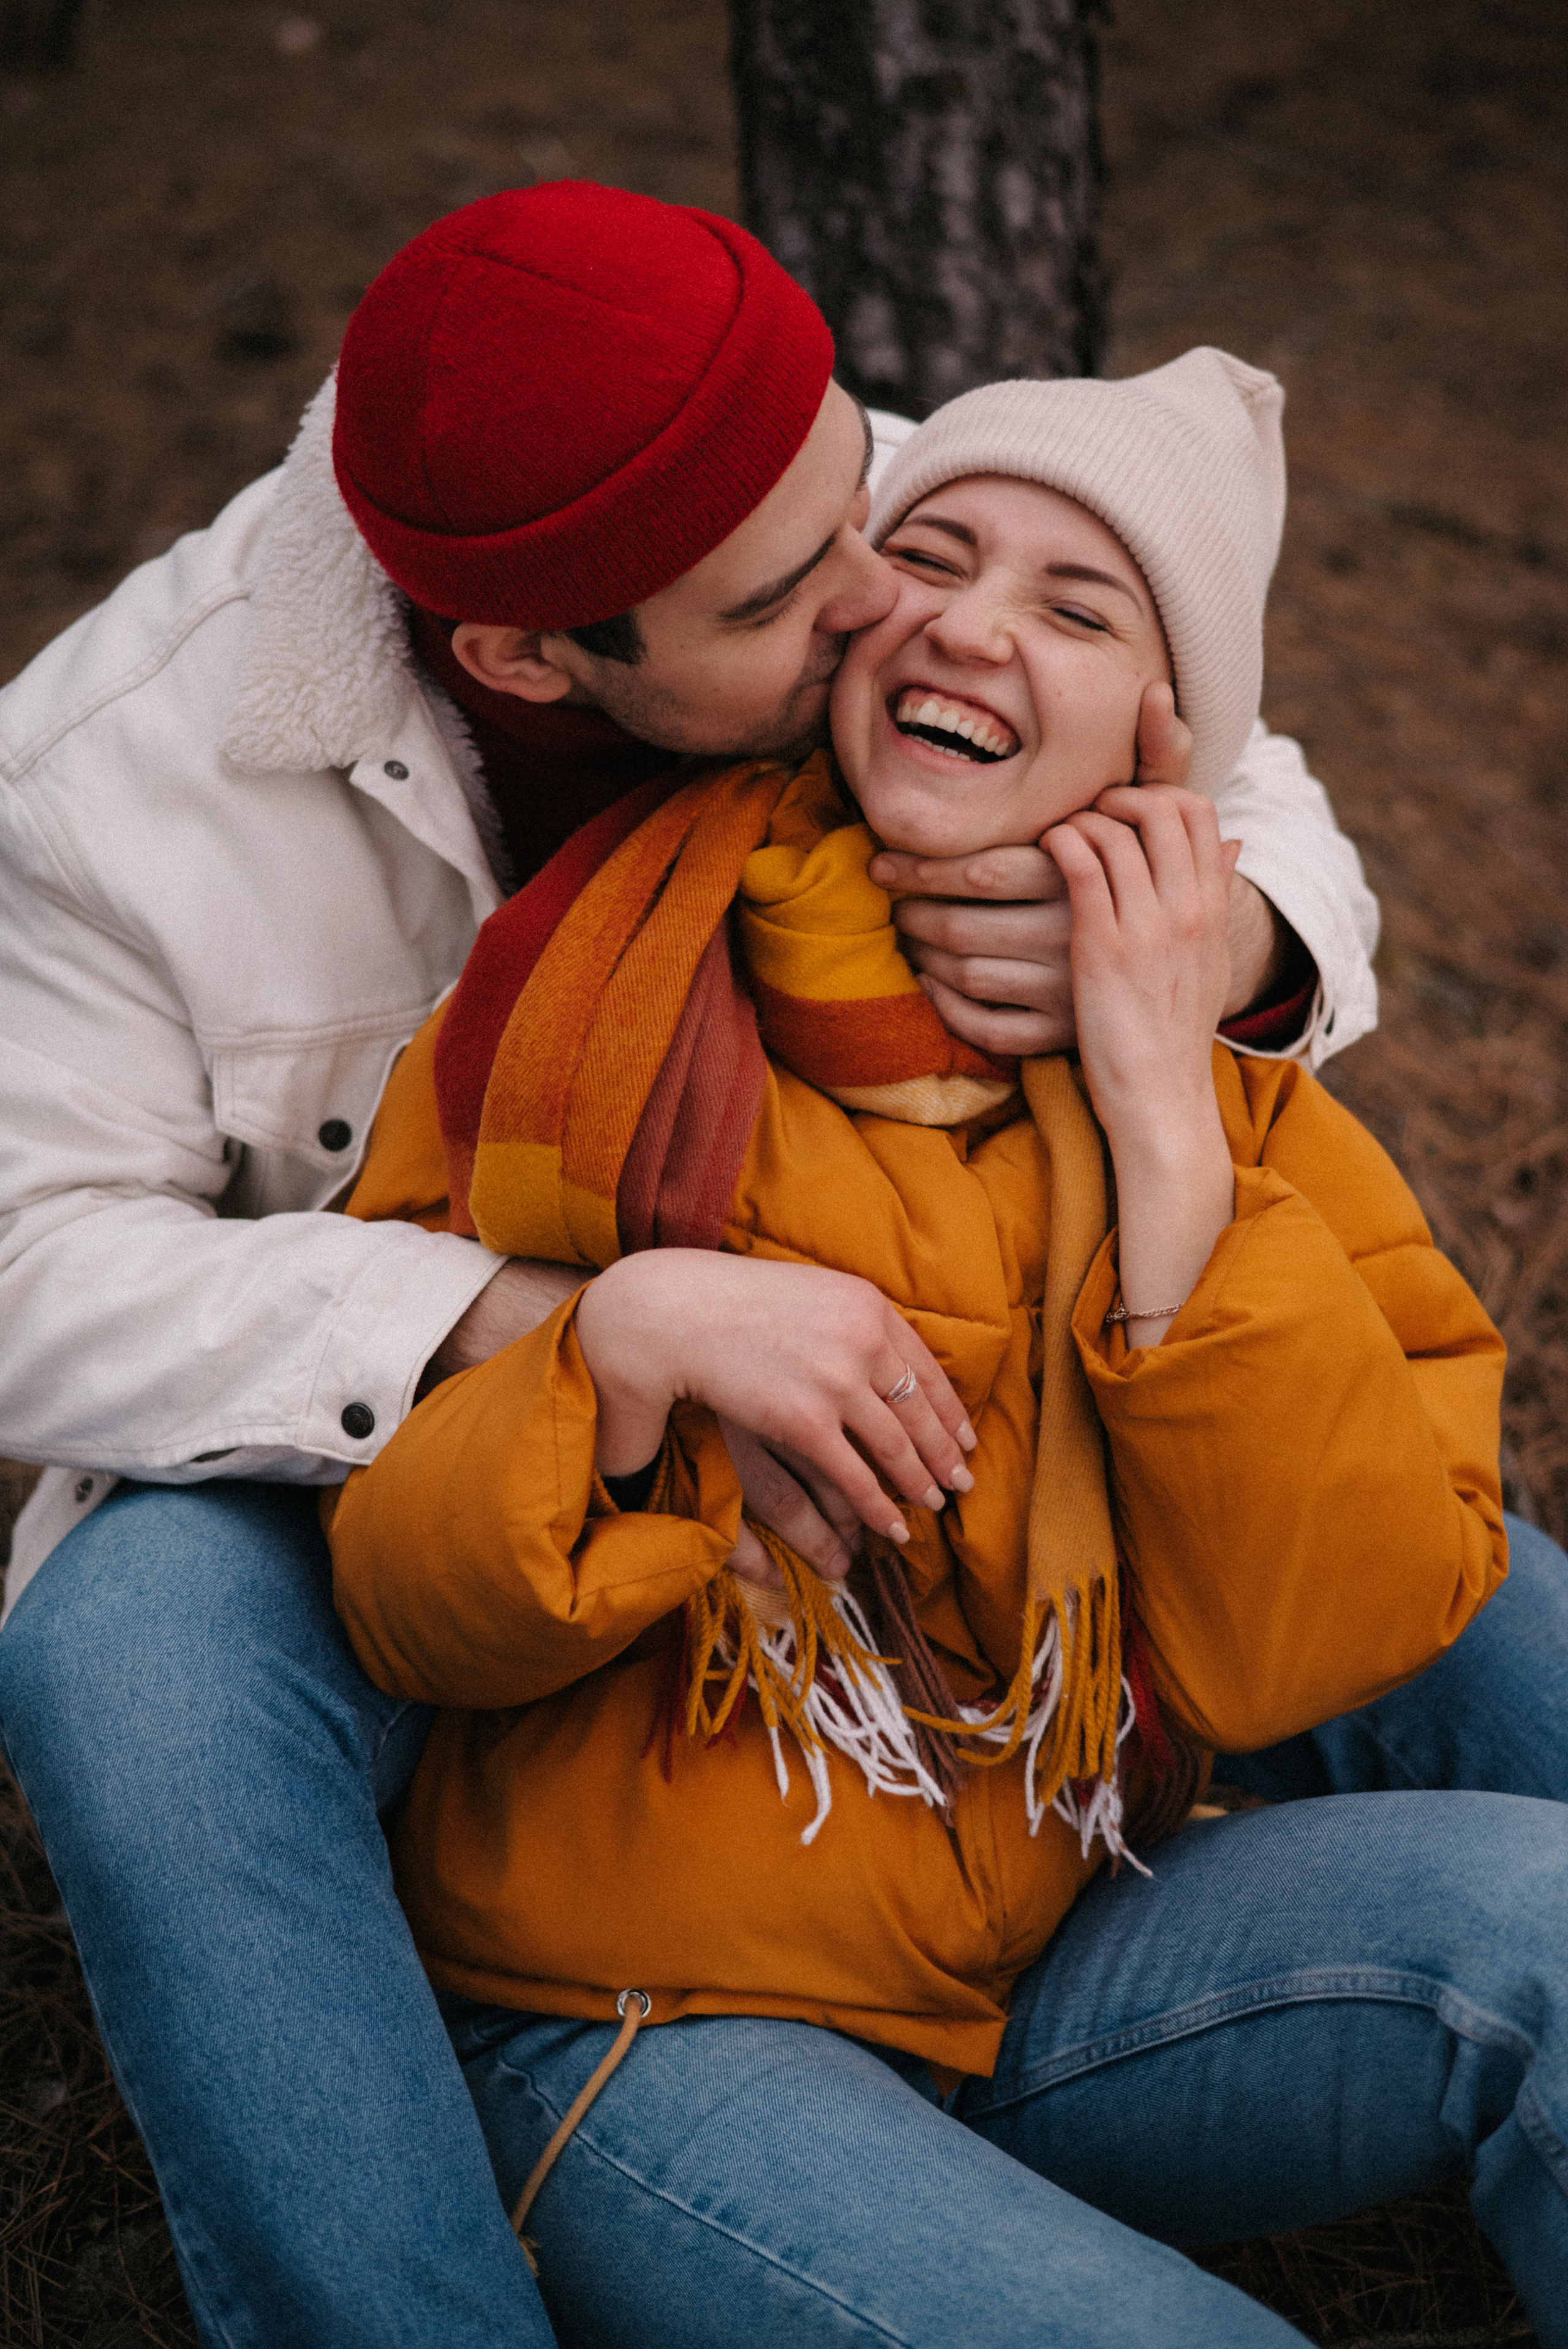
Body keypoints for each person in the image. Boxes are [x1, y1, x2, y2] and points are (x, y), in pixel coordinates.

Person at [0, 180, 1493, 2347]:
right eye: (817, 588)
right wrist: (537, 1324)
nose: (898, 601)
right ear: (530, 660)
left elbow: (1203, 719)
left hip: (984, 1734)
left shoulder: (801, 493)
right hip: (409, 1458)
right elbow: (26, 1269)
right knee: (132, 1642)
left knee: (1417, 1539)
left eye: (873, 497)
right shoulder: (113, 787)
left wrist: (1206, 958)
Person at [326, 347, 1566, 2348]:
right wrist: (616, 1353)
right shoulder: (579, 1007)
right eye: (933, 554)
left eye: (1078, 607)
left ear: (1166, 732)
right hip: (646, 2024)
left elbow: (1312, 1643)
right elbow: (398, 1605)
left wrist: (1163, 1122)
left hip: (1050, 1961)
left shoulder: (1235, 1101)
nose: (976, 627)